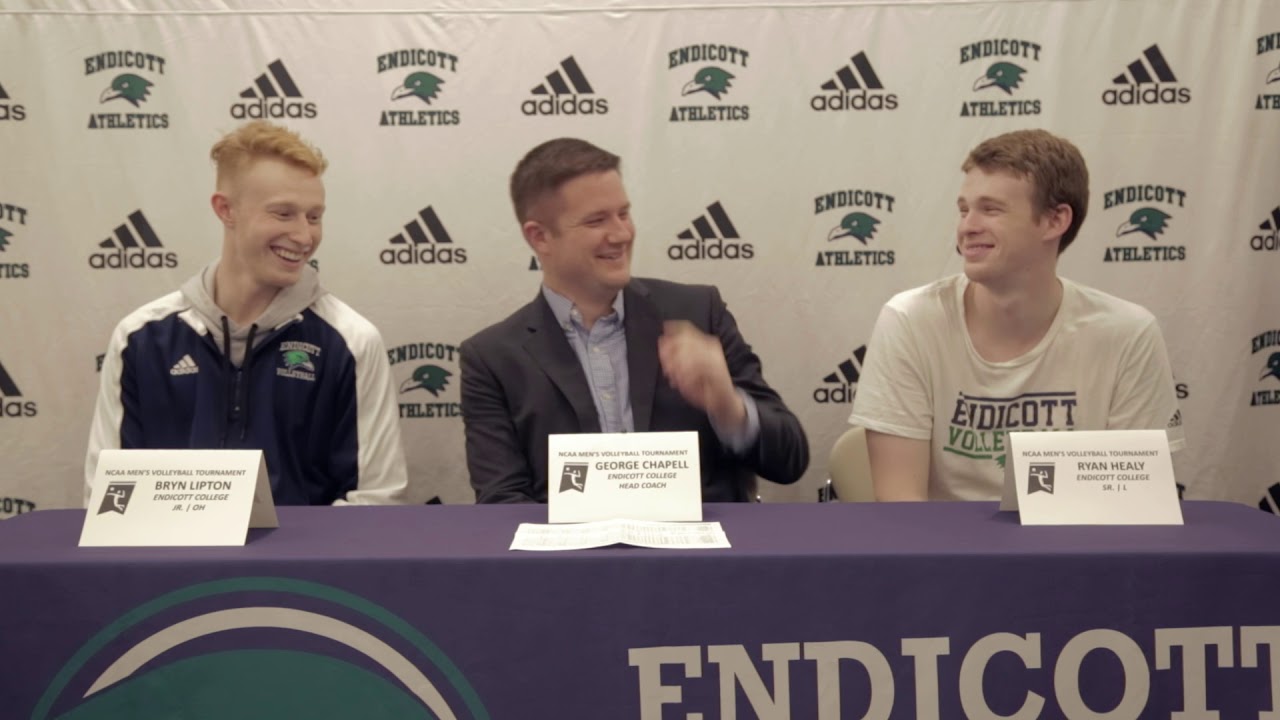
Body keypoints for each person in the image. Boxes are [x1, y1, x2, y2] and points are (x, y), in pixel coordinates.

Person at [461, 137, 808, 503]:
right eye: (597, 220)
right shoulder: (493, 358)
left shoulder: (696, 312)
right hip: (571, 557)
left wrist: (727, 404)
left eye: (623, 214)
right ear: (540, 236)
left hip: (702, 555)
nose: (622, 234)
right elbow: (502, 501)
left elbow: (791, 462)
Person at [849, 129, 1184, 501]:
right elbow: (902, 509)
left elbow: (1133, 505)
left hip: (1075, 554)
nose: (967, 227)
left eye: (990, 209)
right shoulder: (910, 321)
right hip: (946, 554)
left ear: (1054, 221)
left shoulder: (1128, 334)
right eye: (964, 209)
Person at [85, 120, 409, 506]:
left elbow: (374, 501)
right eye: (284, 214)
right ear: (226, 209)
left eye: (314, 216)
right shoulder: (140, 338)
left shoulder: (351, 341)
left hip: (299, 568)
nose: (305, 237)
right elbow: (108, 502)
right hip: (173, 565)